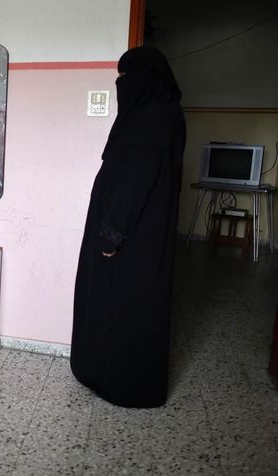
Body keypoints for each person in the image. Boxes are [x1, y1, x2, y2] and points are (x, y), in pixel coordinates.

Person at [70, 46, 186, 408]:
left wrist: (112, 234)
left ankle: (122, 382)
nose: (121, 84)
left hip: (131, 238)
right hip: (135, 232)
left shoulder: (151, 118)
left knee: (125, 304)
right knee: (118, 303)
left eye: (126, 77)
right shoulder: (160, 113)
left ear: (145, 79)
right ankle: (101, 371)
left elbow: (135, 181)